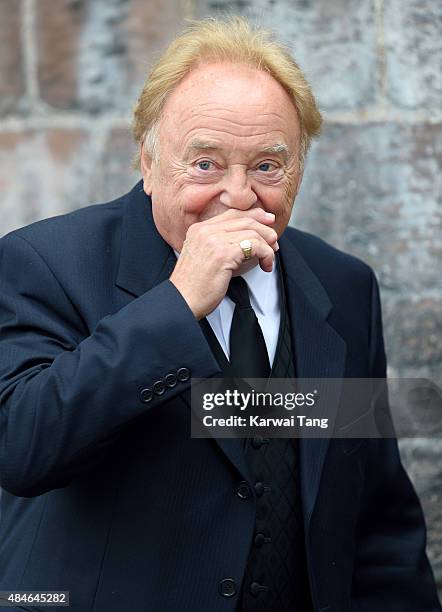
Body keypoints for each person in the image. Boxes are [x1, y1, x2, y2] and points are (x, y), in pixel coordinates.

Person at [0, 16, 440, 612]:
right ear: (148, 163)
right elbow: (23, 448)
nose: (238, 195)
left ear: (300, 169)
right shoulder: (43, 263)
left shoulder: (342, 286)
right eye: (205, 164)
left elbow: (378, 522)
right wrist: (175, 305)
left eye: (266, 165)